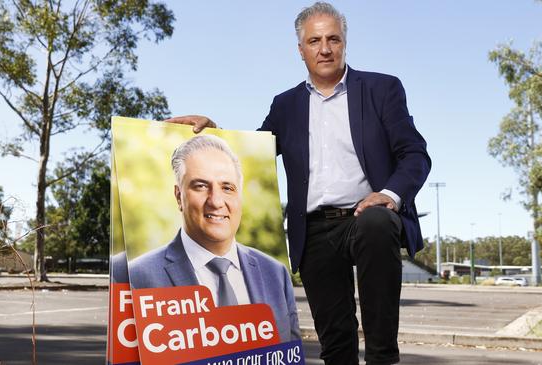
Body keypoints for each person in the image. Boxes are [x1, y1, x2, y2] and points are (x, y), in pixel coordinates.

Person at [165, 3, 431, 364]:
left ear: (344, 43)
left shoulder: (381, 89)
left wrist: (389, 194)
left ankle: (383, 355)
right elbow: (254, 153)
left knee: (377, 222)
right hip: (314, 229)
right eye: (315, 40)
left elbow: (415, 153)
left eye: (333, 39)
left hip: (365, 216)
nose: (325, 48)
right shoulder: (286, 105)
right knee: (336, 345)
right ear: (301, 49)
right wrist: (214, 130)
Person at [127, 135, 300, 343]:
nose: (216, 201)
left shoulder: (276, 273)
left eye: (227, 188)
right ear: (178, 196)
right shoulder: (137, 277)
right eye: (200, 186)